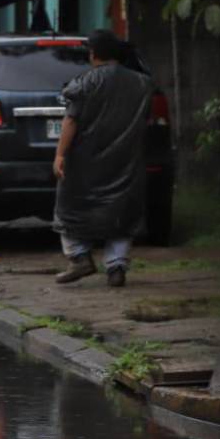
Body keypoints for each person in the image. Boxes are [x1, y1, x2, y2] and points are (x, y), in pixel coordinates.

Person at [52, 28, 153, 288]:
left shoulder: (85, 83)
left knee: (70, 208)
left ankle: (79, 257)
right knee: (123, 212)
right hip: (127, 159)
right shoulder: (142, 83)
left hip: (84, 161)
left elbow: (71, 120)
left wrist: (60, 154)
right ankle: (116, 267)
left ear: (93, 53)